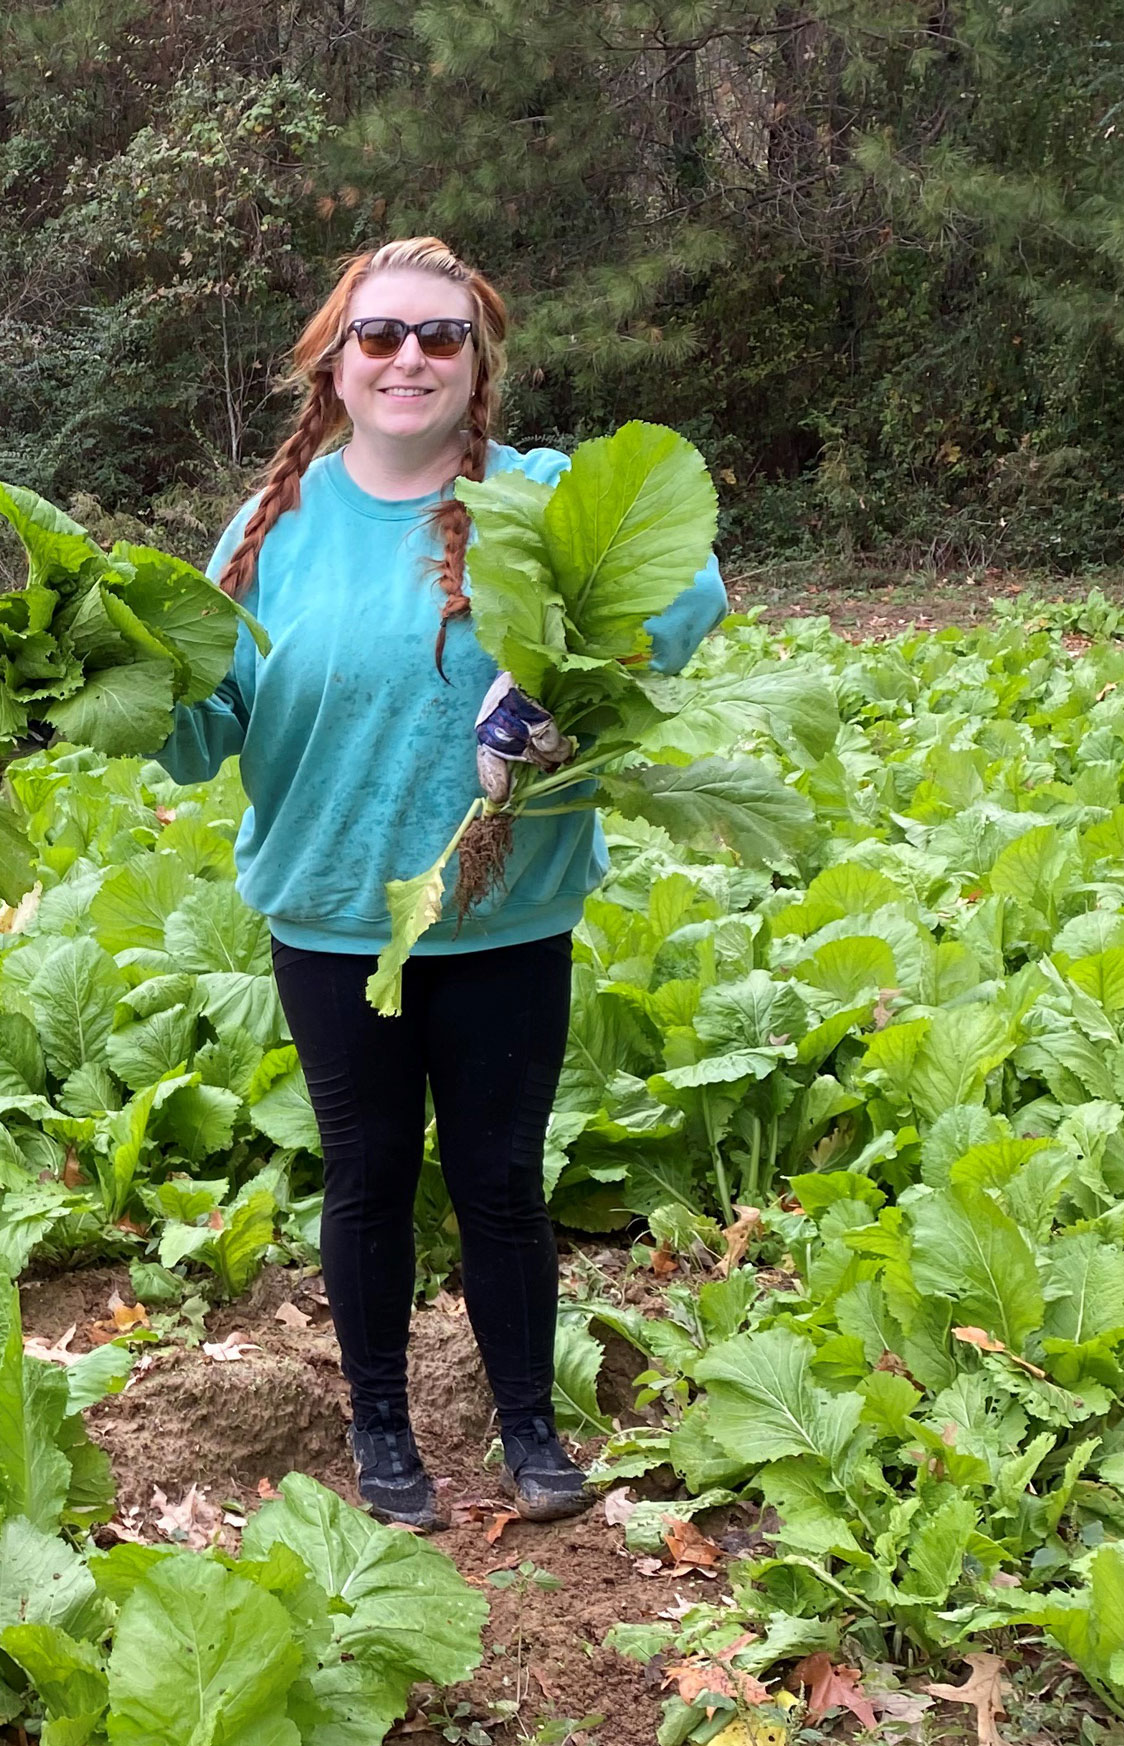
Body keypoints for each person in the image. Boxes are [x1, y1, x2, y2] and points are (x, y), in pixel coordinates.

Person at [157, 237, 727, 1529]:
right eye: (381, 336)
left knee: (501, 1178)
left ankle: (528, 1428)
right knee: (364, 1174)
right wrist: (112, 686)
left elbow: (689, 589)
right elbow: (201, 731)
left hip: (503, 911)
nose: (410, 356)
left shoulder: (534, 493)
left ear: (478, 365)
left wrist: (565, 681)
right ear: (334, 365)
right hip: (333, 914)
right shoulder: (271, 530)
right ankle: (382, 1434)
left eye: (441, 336)